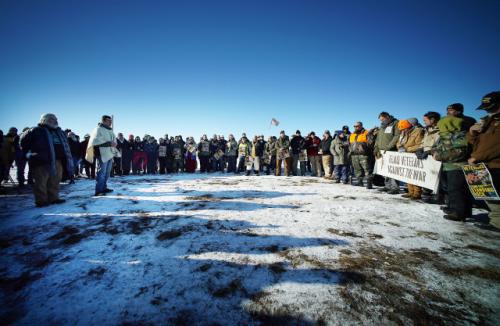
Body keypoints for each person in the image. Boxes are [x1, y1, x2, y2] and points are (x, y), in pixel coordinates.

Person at [20, 114, 73, 207]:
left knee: (55, 180)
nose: (55, 121)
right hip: (41, 160)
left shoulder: (59, 131)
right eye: (52, 119)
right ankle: (41, 201)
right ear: (44, 120)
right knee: (41, 181)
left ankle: (54, 198)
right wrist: (29, 153)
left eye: (56, 119)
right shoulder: (35, 130)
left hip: (58, 160)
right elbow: (22, 142)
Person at [467, 91, 500, 229]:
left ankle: (497, 223)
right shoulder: (486, 121)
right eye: (486, 108)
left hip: (495, 164)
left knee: (497, 194)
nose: (488, 110)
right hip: (481, 164)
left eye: (491, 107)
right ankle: (495, 221)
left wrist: (478, 157)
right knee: (487, 195)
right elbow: (475, 144)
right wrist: (471, 133)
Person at [432, 116, 472, 221]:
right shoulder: (443, 136)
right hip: (446, 166)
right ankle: (453, 208)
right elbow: (436, 147)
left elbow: (459, 152)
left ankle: (459, 212)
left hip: (458, 167)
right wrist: (433, 151)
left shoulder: (460, 136)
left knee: (457, 190)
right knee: (450, 189)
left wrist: (438, 155)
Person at [85, 115, 117, 196]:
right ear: (104, 121)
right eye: (109, 121)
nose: (110, 122)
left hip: (109, 153)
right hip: (101, 154)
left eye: (111, 121)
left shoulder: (110, 130)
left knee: (107, 172)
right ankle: (99, 190)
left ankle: (104, 187)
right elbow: (95, 141)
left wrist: (114, 143)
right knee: (102, 172)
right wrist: (109, 143)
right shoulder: (98, 129)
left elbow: (113, 140)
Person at [416, 112, 441, 203]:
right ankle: (426, 194)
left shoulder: (441, 129)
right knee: (427, 175)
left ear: (432, 119)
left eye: (425, 120)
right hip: (426, 156)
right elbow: (424, 142)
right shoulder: (427, 129)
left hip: (435, 156)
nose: (424, 122)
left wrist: (430, 151)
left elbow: (440, 144)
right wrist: (419, 149)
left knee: (437, 177)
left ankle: (438, 196)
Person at [397, 119, 424, 199]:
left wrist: (407, 149)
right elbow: (399, 142)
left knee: (415, 175)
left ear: (408, 127)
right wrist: (399, 146)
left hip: (414, 156)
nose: (402, 131)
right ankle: (410, 192)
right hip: (406, 156)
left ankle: (417, 193)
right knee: (408, 174)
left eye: (403, 129)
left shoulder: (418, 131)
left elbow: (420, 145)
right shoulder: (404, 132)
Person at [374, 112, 401, 194]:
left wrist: (389, 146)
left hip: (391, 151)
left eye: (382, 119)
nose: (381, 121)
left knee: (392, 170)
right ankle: (387, 186)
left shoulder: (395, 123)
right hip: (381, 151)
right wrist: (376, 146)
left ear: (387, 117)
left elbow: (397, 136)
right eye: (380, 120)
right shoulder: (382, 126)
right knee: (384, 170)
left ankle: (395, 187)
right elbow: (378, 137)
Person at [348, 122, 373, 188]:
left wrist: (364, 147)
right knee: (357, 169)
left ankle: (369, 183)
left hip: (364, 154)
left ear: (361, 126)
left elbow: (370, 143)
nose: (356, 127)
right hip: (354, 154)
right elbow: (349, 143)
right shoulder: (352, 134)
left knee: (367, 169)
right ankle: (360, 182)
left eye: (357, 126)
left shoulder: (366, 133)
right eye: (355, 126)